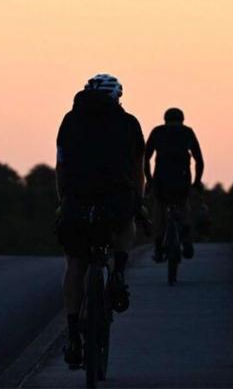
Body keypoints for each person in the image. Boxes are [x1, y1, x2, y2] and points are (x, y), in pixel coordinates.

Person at [56, 74, 145, 368]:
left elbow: (61, 165)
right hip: (116, 199)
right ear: (117, 97)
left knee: (75, 265)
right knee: (126, 225)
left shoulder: (70, 121)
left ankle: (72, 334)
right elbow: (137, 169)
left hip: (78, 200)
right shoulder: (129, 123)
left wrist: (63, 201)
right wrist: (139, 202)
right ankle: (119, 272)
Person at [145, 108, 204, 262]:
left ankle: (158, 246)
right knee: (184, 205)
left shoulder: (158, 131)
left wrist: (149, 180)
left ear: (165, 119)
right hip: (182, 179)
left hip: (161, 180)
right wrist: (197, 182)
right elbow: (199, 160)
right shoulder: (187, 132)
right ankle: (186, 235)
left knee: (159, 209)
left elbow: (146, 158)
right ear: (182, 119)